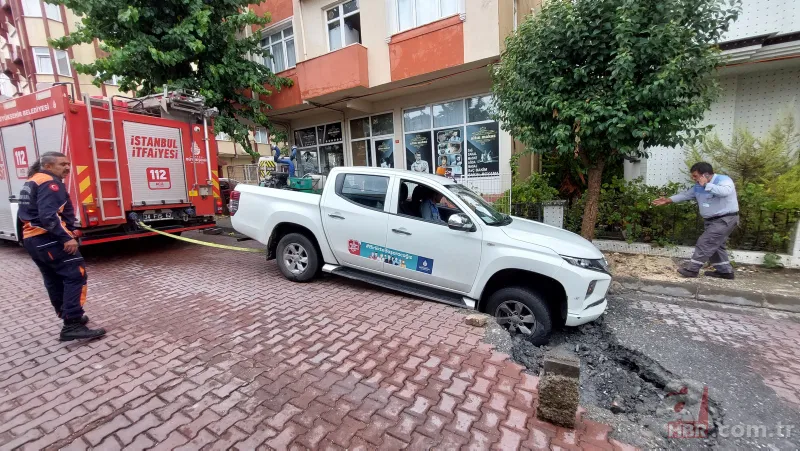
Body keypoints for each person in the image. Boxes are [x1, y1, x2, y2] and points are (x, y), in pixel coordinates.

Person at [18, 152, 106, 341]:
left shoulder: (34, 180)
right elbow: (48, 216)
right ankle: (72, 323)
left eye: (68, 163)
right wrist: (66, 237)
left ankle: (68, 315)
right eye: (62, 164)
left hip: (34, 240)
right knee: (75, 275)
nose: (67, 167)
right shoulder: (51, 183)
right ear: (48, 166)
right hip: (50, 239)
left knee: (53, 279)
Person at [652, 162, 739, 279]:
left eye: (695, 176)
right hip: (711, 220)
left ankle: (692, 270)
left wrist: (706, 185)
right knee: (716, 246)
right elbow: (686, 195)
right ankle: (725, 272)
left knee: (705, 242)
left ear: (706, 175)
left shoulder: (724, 180)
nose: (693, 179)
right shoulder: (698, 185)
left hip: (725, 218)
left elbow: (725, 192)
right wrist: (668, 200)